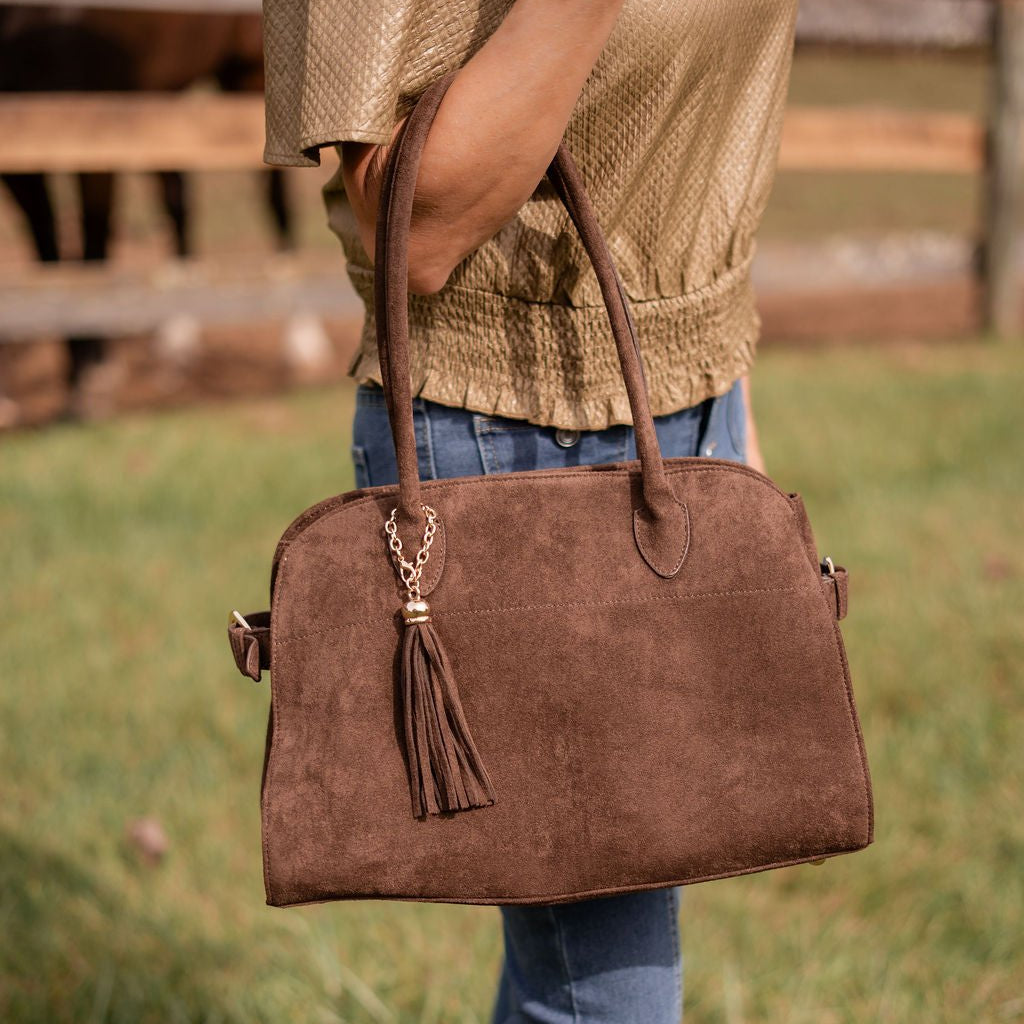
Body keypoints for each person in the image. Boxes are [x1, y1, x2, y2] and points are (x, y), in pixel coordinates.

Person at [261, 0, 799, 1019]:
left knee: (580, 955)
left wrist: (729, 411)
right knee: (606, 986)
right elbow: (415, 235)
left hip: (689, 410)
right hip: (513, 434)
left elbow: (692, 135)